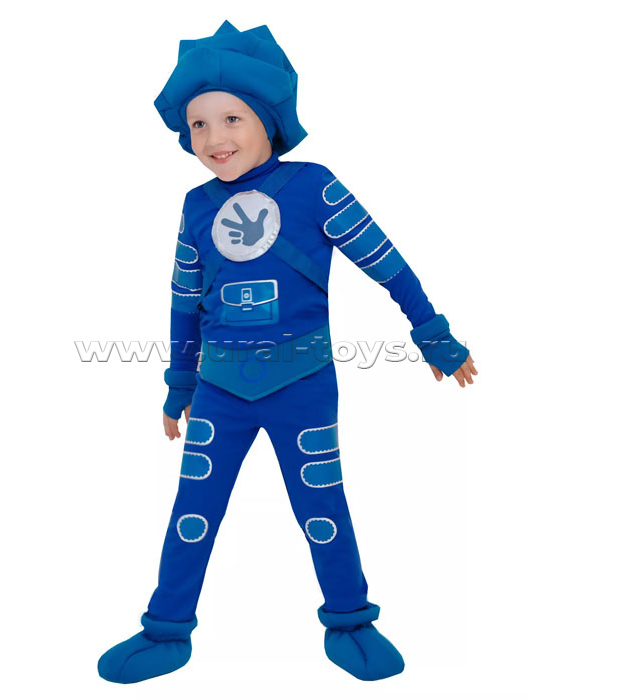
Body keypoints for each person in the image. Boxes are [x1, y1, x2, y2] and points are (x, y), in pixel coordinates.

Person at [98, 19, 477, 684]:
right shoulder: (194, 207)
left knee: (321, 508)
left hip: (302, 386)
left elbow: (388, 265)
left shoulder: (314, 186)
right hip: (218, 390)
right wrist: (179, 386)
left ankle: (351, 620)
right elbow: (185, 302)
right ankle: (166, 630)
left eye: (231, 119)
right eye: (197, 125)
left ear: (267, 120)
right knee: (193, 511)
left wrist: (434, 336)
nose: (213, 139)